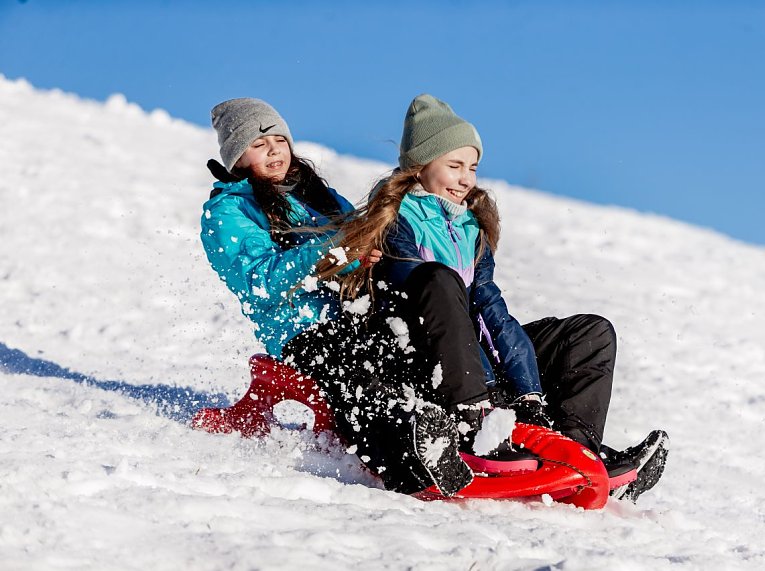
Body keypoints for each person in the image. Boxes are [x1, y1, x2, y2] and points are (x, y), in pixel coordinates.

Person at [316, 94, 668, 500]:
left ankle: (575, 447)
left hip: (482, 369)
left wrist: (529, 393)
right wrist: (490, 395)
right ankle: (473, 426)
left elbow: (492, 312)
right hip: (427, 373)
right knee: (439, 279)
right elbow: (432, 311)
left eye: (472, 167)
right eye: (454, 166)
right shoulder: (393, 222)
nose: (466, 178)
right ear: (420, 166)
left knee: (590, 332)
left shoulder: (471, 231)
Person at [199, 98, 473, 497]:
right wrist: (334, 251)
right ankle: (406, 467)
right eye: (259, 144)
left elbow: (350, 245)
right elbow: (259, 281)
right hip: (301, 330)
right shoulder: (229, 211)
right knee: (354, 378)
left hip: (351, 311)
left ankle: (454, 439)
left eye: (279, 139)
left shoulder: (315, 195)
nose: (275, 149)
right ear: (236, 156)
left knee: (405, 350)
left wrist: (366, 254)